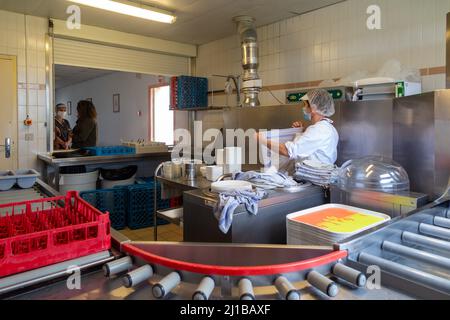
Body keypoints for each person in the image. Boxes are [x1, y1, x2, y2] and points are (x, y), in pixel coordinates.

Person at [257, 88, 339, 174]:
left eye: (305, 105)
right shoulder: (329, 128)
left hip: (315, 181)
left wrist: (263, 140)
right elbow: (309, 148)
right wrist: (301, 132)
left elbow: (288, 151)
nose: (303, 108)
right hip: (318, 178)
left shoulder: (319, 130)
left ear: (313, 108)